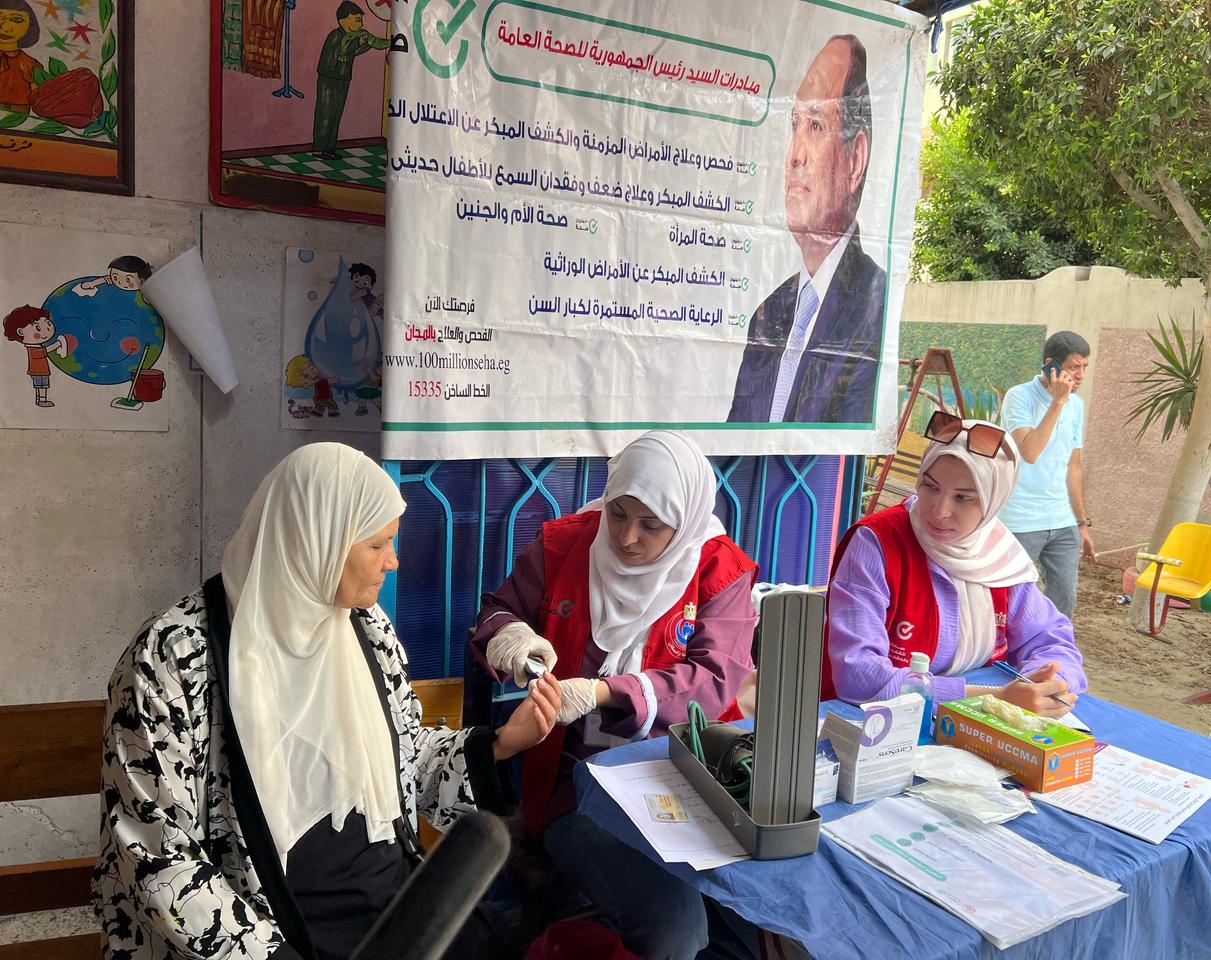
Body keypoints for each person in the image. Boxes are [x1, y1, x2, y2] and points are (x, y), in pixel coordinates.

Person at [93, 443, 563, 960]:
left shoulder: (365, 628)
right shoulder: (173, 658)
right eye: (378, 544)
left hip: (390, 908)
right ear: (316, 538)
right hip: (271, 932)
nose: (393, 561)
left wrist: (500, 743)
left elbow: (404, 759)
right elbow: (157, 852)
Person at [472, 430, 757, 960]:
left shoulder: (718, 570)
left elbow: (714, 679)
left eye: (651, 525)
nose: (627, 538)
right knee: (676, 931)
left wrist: (604, 692)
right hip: (576, 783)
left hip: (689, 779)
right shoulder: (565, 546)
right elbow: (496, 611)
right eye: (618, 513)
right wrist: (511, 637)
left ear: (686, 520)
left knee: (756, 911)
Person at [825, 413, 1086, 717]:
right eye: (930, 486)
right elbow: (857, 673)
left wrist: (1048, 683)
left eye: (963, 498)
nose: (939, 511)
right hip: (872, 722)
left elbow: (1049, 638)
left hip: (969, 728)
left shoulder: (998, 555)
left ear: (994, 500)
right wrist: (993, 699)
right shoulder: (877, 543)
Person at [728, 33, 885, 424]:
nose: (795, 155)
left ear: (854, 161)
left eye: (815, 126)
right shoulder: (769, 314)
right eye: (795, 125)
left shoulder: (875, 306)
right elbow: (733, 443)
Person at [999, 330, 1096, 617]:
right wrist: (1057, 403)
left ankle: (1053, 643)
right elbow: (1030, 452)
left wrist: (1082, 524)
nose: (1080, 375)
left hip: (1062, 520)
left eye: (1085, 367)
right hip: (1021, 519)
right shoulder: (1019, 396)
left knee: (1064, 598)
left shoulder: (1076, 406)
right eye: (1074, 367)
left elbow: (1073, 467)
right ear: (1050, 365)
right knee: (1012, 597)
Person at [312, 2, 390, 159]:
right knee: (326, 113)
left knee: (336, 116)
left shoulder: (351, 37)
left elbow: (353, 53)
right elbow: (342, 51)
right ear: (343, 20)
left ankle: (329, 148)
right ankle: (319, 149)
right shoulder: (336, 37)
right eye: (357, 20)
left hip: (343, 79)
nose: (360, 24)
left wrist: (367, 44)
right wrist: (357, 43)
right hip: (329, 81)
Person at [4, 304, 67, 407]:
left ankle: (40, 399)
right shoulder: (32, 348)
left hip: (40, 370)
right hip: (38, 371)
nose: (47, 330)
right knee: (42, 386)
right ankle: (41, 400)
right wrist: (57, 344)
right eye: (38, 328)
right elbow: (43, 352)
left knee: (41, 385)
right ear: (21, 332)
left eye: (48, 324)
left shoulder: (35, 346)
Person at [0, 1, 42, 113]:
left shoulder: (27, 63)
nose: (5, 27)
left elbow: (37, 92)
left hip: (14, 110)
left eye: (16, 20)